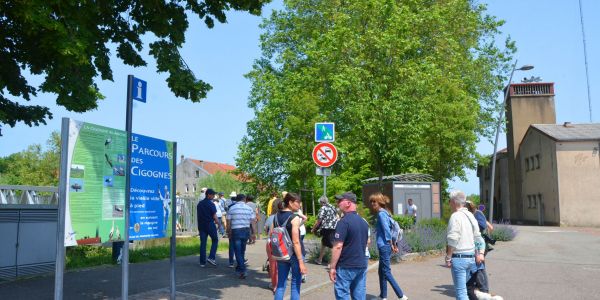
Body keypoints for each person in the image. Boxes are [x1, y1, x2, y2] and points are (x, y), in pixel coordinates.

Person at [328, 192, 370, 300]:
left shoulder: (343, 222)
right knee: (359, 295)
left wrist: (332, 267)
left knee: (342, 294)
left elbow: (338, 246)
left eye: (339, 201)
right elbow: (367, 242)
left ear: (348, 203)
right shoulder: (364, 222)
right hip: (361, 264)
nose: (337, 204)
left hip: (346, 265)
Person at [446, 190, 486, 300]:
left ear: (454, 202)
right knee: (466, 291)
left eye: (449, 201)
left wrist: (448, 257)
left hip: (459, 257)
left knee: (461, 293)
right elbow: (478, 237)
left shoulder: (455, 216)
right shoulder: (470, 215)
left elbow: (453, 239)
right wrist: (481, 252)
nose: (449, 203)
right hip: (471, 257)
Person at [369, 193, 408, 300]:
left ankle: (401, 295)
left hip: (384, 246)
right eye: (371, 202)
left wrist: (391, 244)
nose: (372, 204)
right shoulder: (386, 213)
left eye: (374, 202)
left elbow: (387, 230)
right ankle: (383, 296)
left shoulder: (381, 214)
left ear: (380, 203)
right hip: (386, 245)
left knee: (386, 271)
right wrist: (393, 244)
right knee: (381, 271)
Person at [274, 192, 307, 300]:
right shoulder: (294, 218)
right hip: (294, 254)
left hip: (281, 252)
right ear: (290, 202)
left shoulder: (276, 216)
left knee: (280, 285)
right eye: (298, 202)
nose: (300, 205)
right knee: (295, 284)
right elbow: (296, 242)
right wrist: (301, 261)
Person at [465, 201, 494, 299]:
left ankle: (483, 290)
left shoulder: (477, 213)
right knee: (479, 268)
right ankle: (480, 289)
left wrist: (471, 222)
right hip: (474, 244)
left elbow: (482, 225)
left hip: (479, 245)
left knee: (479, 268)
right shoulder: (471, 214)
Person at [226, 193, 256, 279]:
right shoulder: (249, 208)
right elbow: (253, 222)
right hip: (246, 230)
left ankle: (242, 270)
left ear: (236, 199)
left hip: (236, 230)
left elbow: (228, 222)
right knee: (242, 250)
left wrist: (228, 232)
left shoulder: (231, 208)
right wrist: (253, 233)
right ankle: (239, 268)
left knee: (237, 251)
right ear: (244, 199)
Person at [196, 188, 220, 267]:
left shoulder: (199, 204)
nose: (214, 196)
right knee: (215, 239)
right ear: (209, 195)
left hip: (201, 225)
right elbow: (214, 215)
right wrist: (218, 223)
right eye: (213, 195)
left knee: (203, 243)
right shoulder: (211, 204)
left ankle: (202, 262)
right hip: (209, 224)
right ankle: (211, 257)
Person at [311, 195, 338, 265]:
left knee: (331, 245)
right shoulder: (332, 207)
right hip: (334, 227)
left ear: (321, 202)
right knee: (324, 243)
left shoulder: (323, 208)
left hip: (327, 228)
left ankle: (332, 263)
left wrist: (313, 228)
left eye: (319, 202)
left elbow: (319, 220)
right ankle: (320, 259)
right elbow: (337, 216)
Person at [265, 200, 285, 294]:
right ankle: (281, 284)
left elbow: (267, 230)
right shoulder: (289, 216)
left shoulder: (272, 217)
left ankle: (274, 285)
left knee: (273, 264)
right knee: (283, 264)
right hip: (284, 243)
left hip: (272, 242)